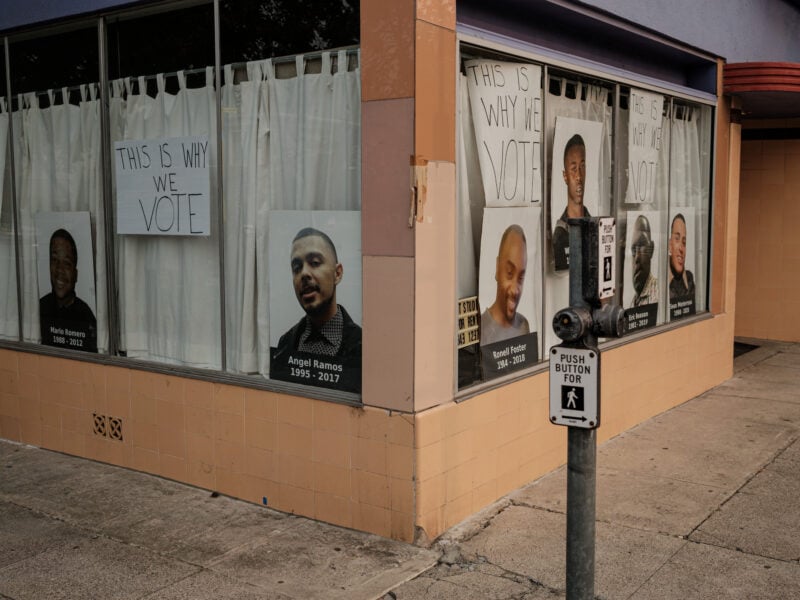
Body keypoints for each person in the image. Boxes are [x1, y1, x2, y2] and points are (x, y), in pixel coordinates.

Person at [271, 227, 362, 393]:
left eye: (314, 263)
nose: (304, 273)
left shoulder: (362, 346)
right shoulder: (284, 345)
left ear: (338, 273)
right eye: (297, 267)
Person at [39, 228, 98, 353]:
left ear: (75, 275)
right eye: (54, 260)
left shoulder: (86, 316)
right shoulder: (40, 308)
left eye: (66, 263)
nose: (59, 270)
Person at [481, 224, 530, 345]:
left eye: (521, 278)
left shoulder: (523, 326)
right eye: (509, 273)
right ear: (497, 269)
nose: (515, 290)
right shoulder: (482, 330)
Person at [553, 134, 591, 271]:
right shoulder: (559, 237)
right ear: (565, 176)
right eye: (574, 169)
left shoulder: (594, 227)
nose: (579, 176)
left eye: (582, 167)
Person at [629, 215, 658, 307]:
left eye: (642, 245)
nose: (637, 257)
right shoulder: (633, 302)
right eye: (633, 249)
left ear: (651, 249)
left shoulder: (658, 294)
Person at [668, 213, 695, 303]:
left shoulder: (689, 280)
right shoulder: (661, 281)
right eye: (677, 239)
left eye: (684, 242)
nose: (681, 248)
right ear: (670, 245)